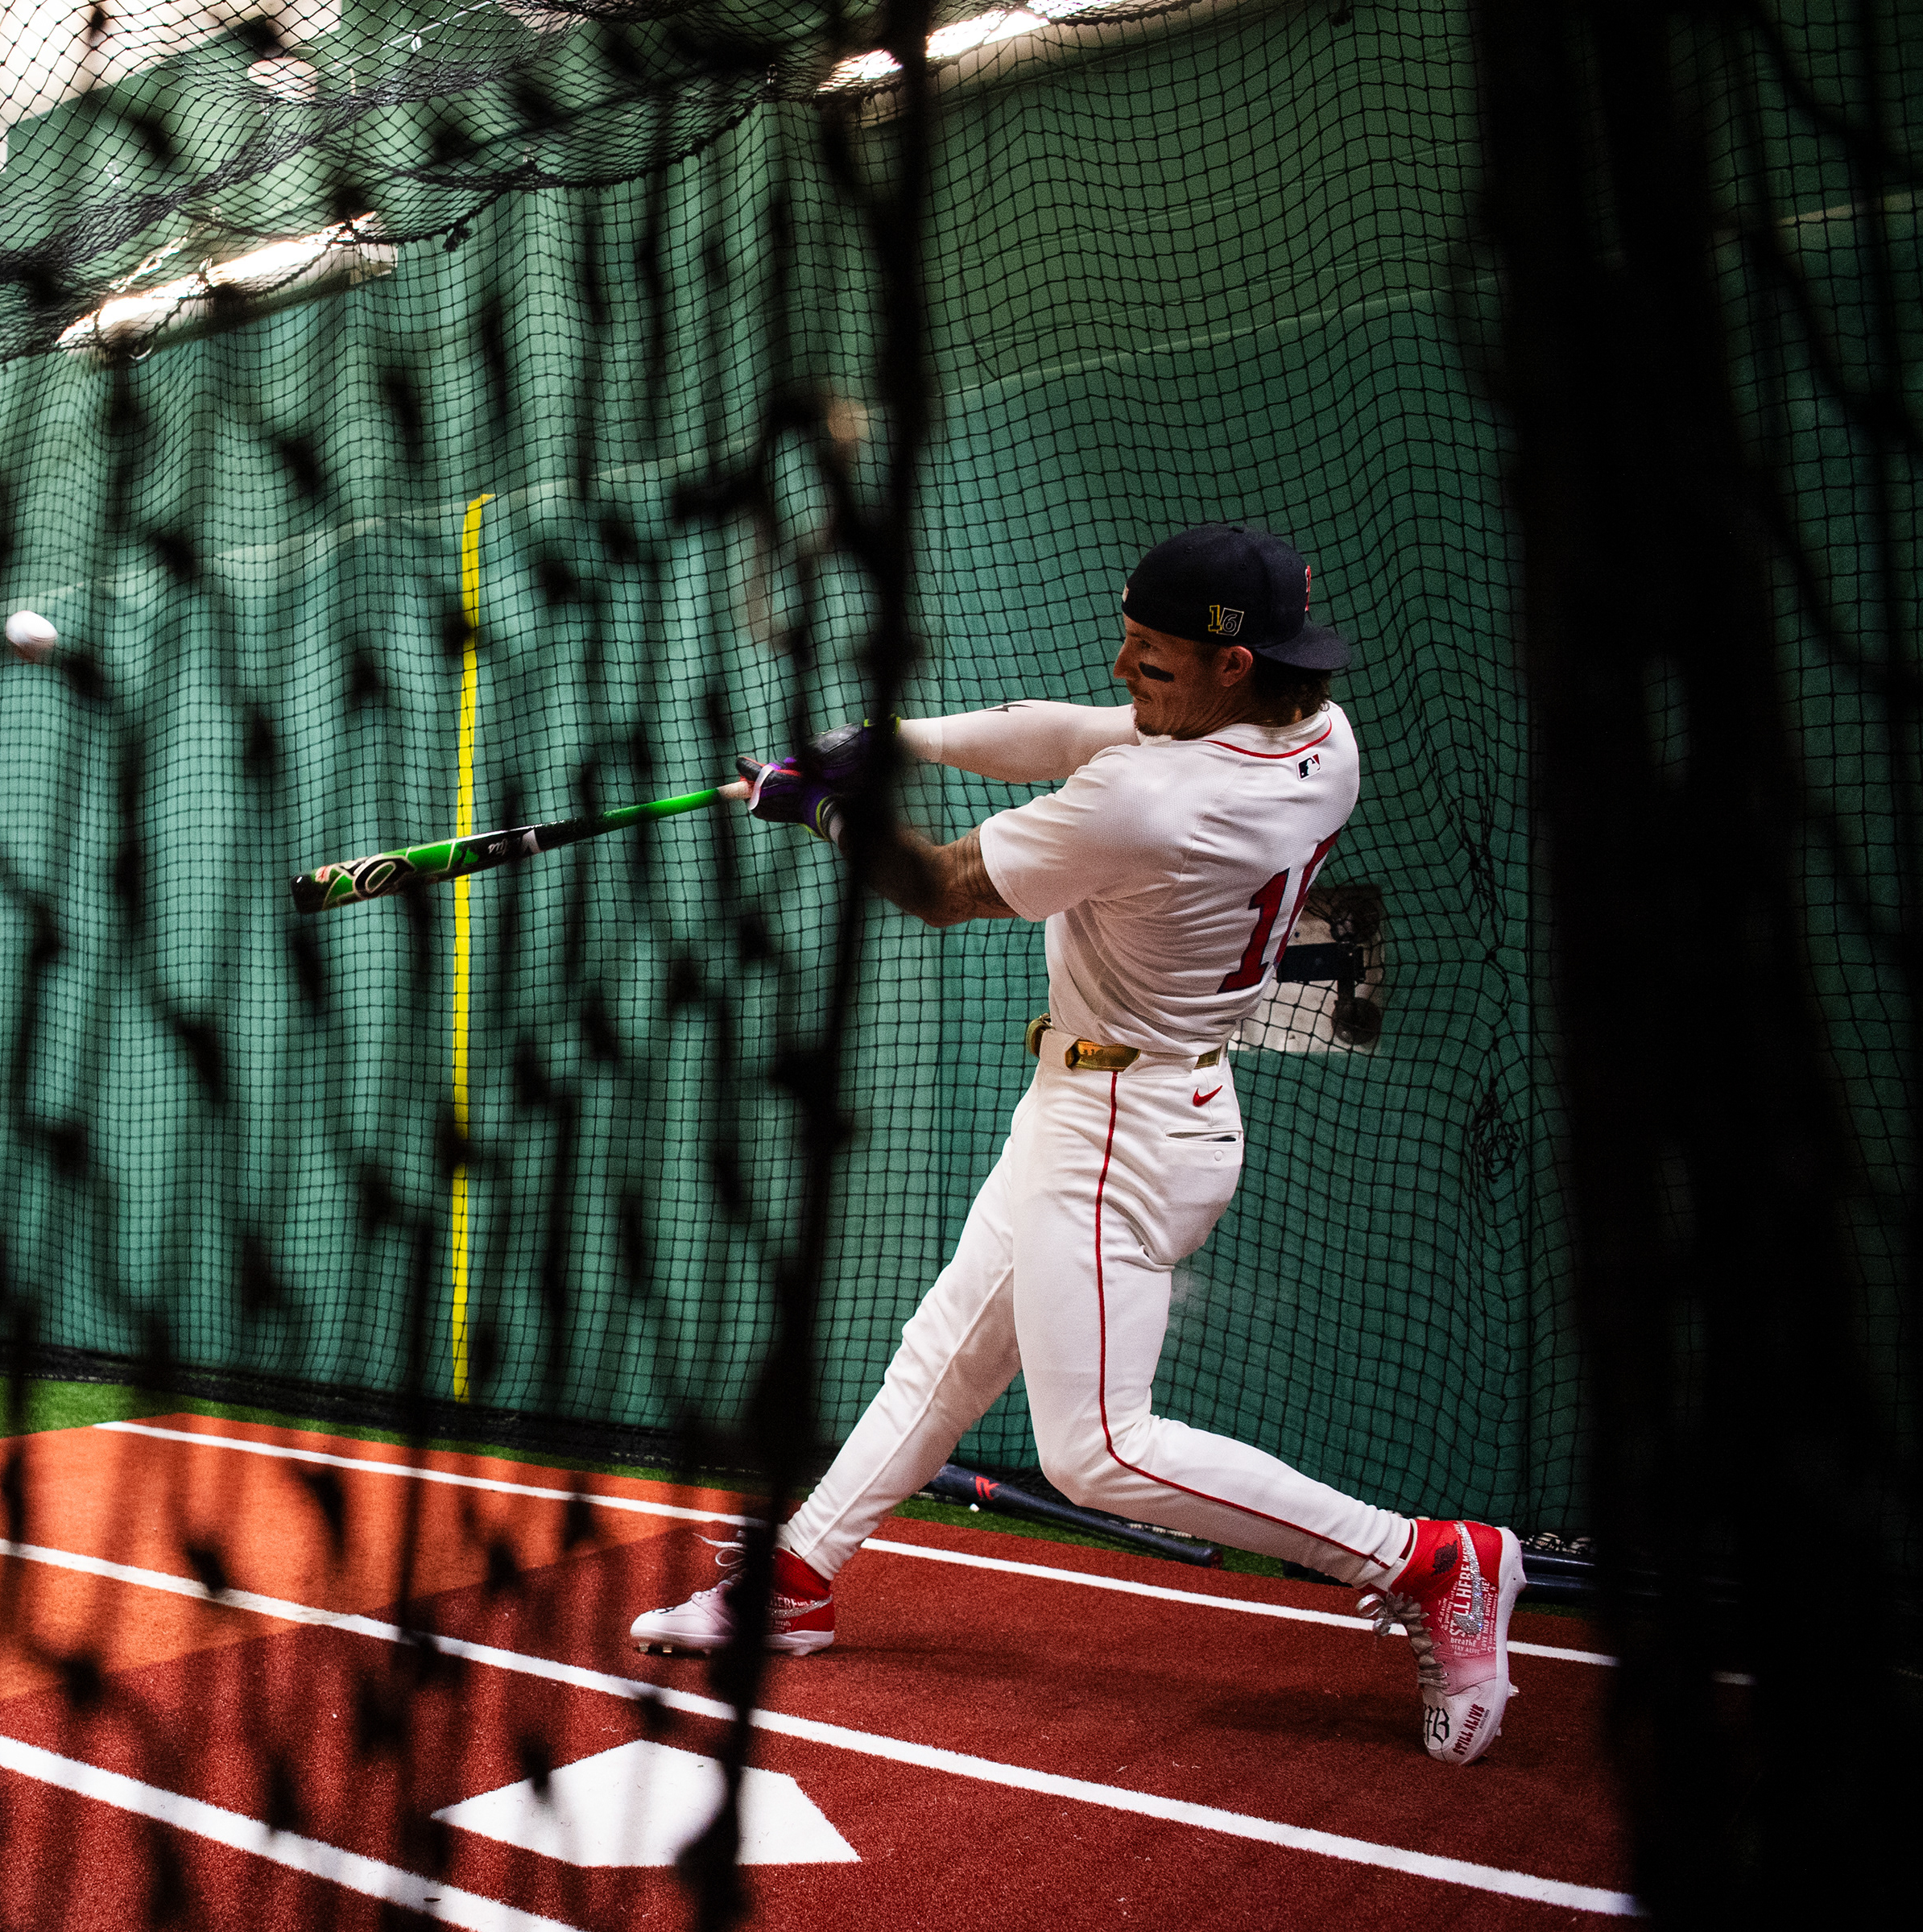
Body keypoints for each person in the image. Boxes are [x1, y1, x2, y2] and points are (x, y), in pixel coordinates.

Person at [630, 524, 1524, 1767]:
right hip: (1121, 1106)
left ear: (1231, 664)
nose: (1125, 668)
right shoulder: (1316, 738)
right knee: (946, 1349)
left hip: (1121, 1128)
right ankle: (798, 1577)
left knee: (1098, 1450)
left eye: (1153, 658)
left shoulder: (1157, 801)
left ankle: (1430, 1558)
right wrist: (896, 741)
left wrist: (826, 811)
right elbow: (1070, 727)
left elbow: (941, 887)